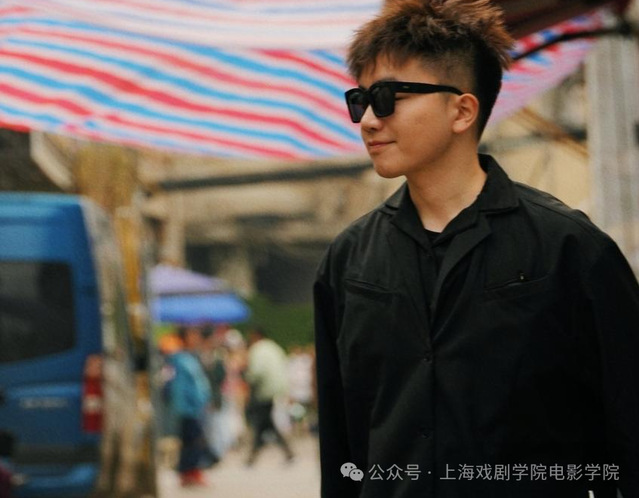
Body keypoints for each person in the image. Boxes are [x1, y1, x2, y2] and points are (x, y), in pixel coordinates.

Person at [313, 1, 639, 497]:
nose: (369, 121)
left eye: (387, 98)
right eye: (361, 100)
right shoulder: (348, 262)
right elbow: (341, 447)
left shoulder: (570, 249)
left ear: (462, 110)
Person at [244, 326, 295, 466]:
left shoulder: (257, 349)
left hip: (265, 391)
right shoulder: (274, 347)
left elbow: (257, 372)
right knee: (266, 422)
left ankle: (252, 456)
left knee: (261, 422)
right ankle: (286, 452)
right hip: (278, 389)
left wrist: (248, 378)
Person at [170, 326, 213, 487]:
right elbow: (182, 388)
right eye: (192, 334)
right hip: (188, 408)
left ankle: (190, 471)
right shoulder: (181, 360)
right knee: (193, 441)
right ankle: (189, 472)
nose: (196, 338)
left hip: (195, 408)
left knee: (192, 440)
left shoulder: (191, 357)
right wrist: (191, 404)